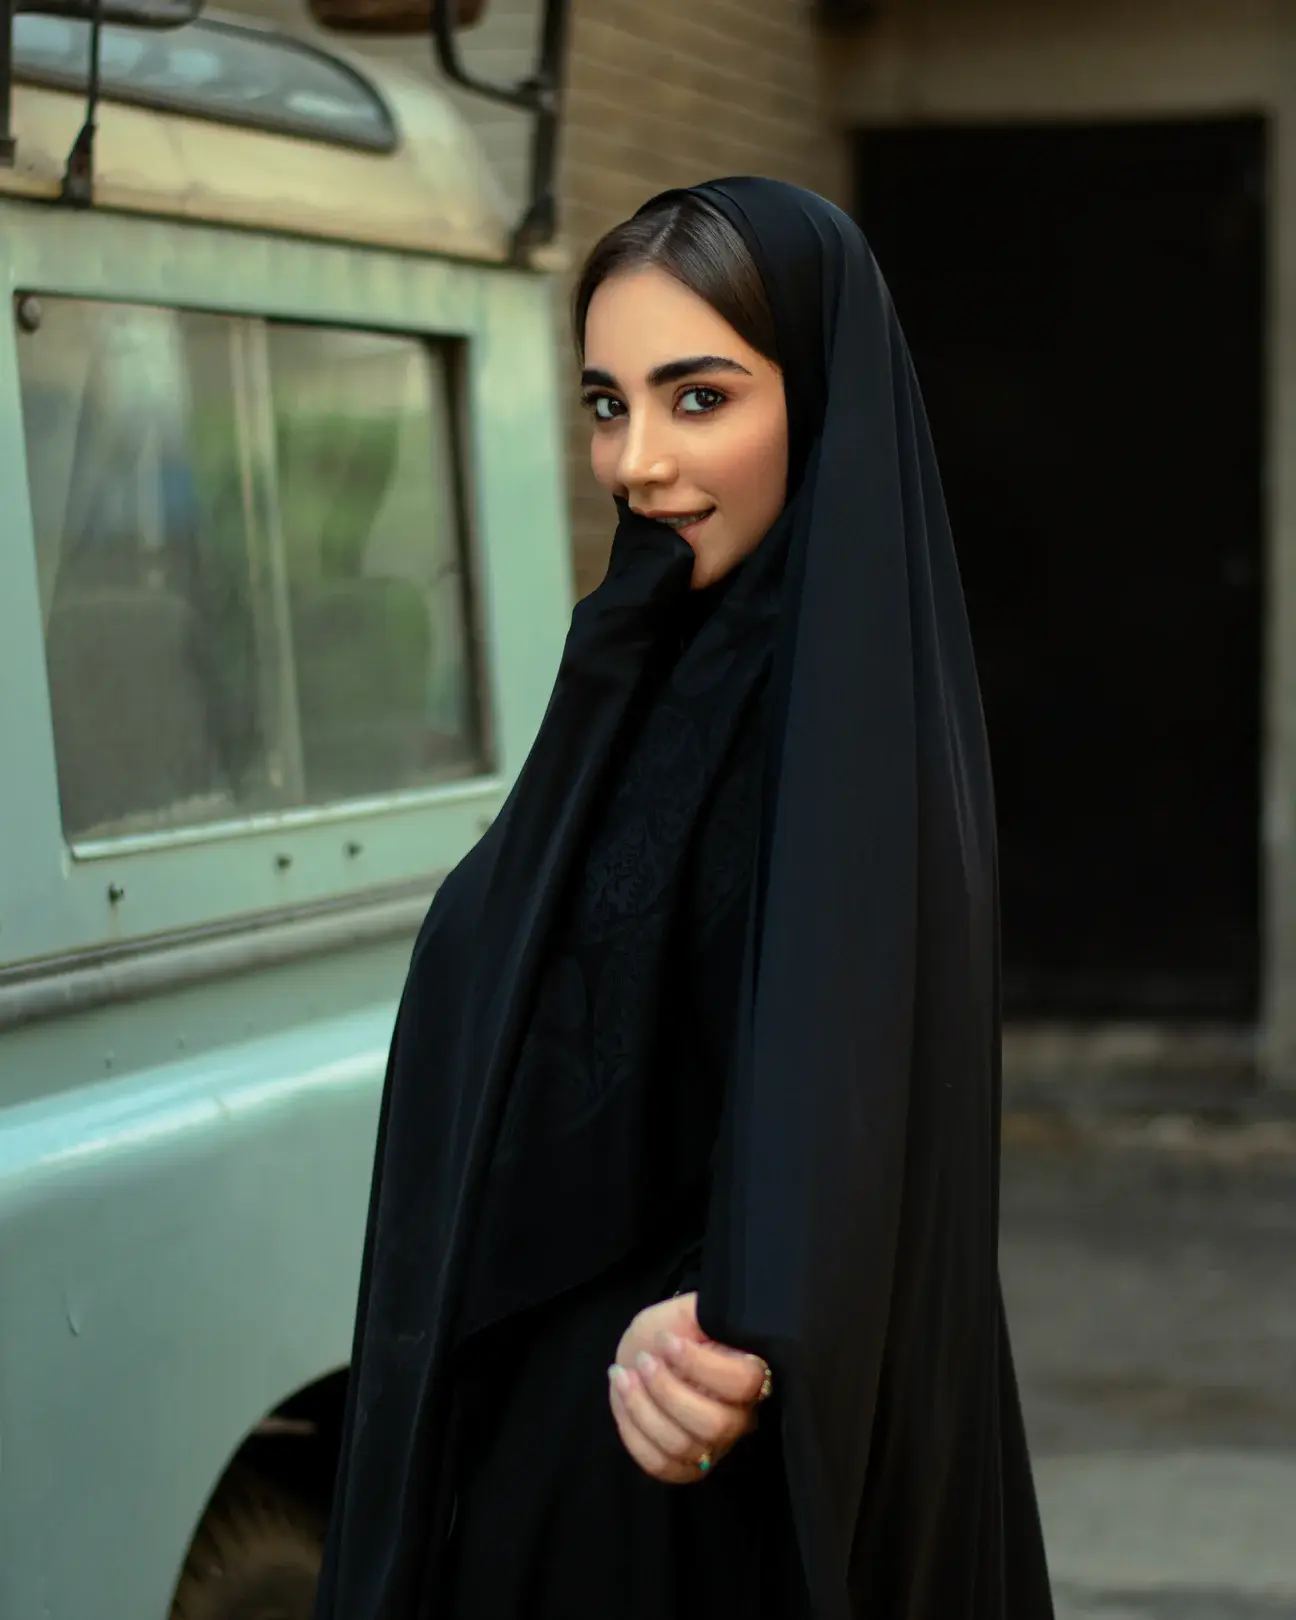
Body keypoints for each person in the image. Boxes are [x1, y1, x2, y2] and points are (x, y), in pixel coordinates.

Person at [311, 177, 1055, 1620]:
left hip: (681, 1483)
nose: (637, 463)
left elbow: (854, 1071)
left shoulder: (845, 714)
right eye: (607, 405)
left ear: (820, 405)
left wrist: (755, 1312)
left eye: (699, 399)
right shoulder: (649, 662)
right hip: (535, 1438)